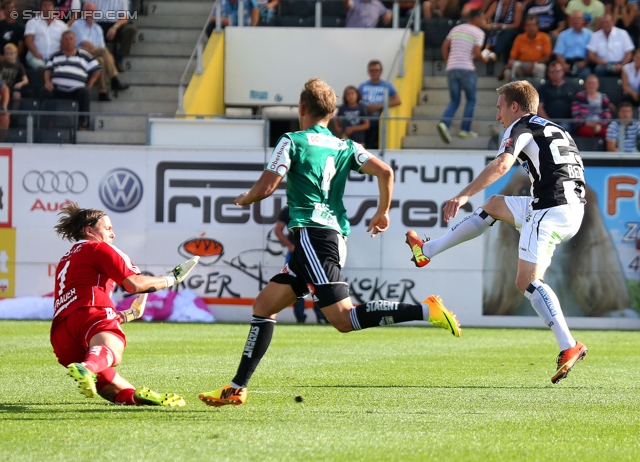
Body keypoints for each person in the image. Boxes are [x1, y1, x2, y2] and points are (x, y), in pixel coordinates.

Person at [198, 78, 461, 408]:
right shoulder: (345, 146)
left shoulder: (292, 141)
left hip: (313, 235)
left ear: (302, 109)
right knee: (264, 306)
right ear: (332, 112)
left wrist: (244, 199)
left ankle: (426, 309)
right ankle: (236, 387)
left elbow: (265, 188)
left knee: (343, 319)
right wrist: (382, 212)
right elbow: (385, 172)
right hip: (328, 236)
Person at [405, 80, 588, 384]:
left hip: (551, 208)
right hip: (568, 206)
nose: (497, 115)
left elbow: (503, 164)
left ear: (515, 107)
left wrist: (463, 195)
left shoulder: (520, 126)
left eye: (500, 107)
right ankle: (427, 251)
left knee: (526, 281)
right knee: (493, 204)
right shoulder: (555, 128)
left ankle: (568, 345)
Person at [52, 203, 199, 406]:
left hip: (62, 333)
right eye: (108, 228)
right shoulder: (98, 247)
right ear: (89, 230)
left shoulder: (67, 258)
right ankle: (87, 367)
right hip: (91, 312)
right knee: (112, 348)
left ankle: (139, 397)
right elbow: (134, 284)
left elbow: (77, 306)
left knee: (111, 388)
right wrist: (171, 279)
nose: (113, 234)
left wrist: (125, 315)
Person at [436, 9, 487, 144]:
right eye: (482, 19)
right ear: (476, 18)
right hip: (467, 69)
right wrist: (484, 59)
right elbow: (476, 53)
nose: (483, 22)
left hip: (452, 68)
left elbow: (444, 46)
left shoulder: (456, 29)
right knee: (471, 100)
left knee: (454, 100)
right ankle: (465, 130)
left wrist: (449, 62)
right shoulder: (478, 32)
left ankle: (444, 123)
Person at [274, 205, 329, 324]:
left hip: (315, 251)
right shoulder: (289, 209)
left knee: (319, 283)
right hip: (297, 253)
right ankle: (300, 317)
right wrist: (289, 245)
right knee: (295, 285)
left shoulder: (318, 208)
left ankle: (320, 316)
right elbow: (278, 230)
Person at [40, 30, 101, 129]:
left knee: (85, 93)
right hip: (57, 88)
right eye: (66, 39)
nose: (69, 41)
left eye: (71, 39)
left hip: (77, 90)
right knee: (45, 91)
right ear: (62, 41)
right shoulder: (55, 55)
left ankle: (82, 123)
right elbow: (47, 70)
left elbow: (97, 70)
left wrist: (91, 83)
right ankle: (49, 122)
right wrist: (47, 82)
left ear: (75, 41)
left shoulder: (84, 55)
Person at [70, 2, 129, 102]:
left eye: (92, 11)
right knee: (103, 52)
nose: (89, 13)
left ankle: (102, 93)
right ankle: (114, 79)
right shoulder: (77, 24)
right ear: (83, 12)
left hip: (93, 57)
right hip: (79, 55)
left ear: (95, 13)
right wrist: (103, 52)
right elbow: (85, 44)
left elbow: (100, 47)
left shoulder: (98, 29)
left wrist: (103, 53)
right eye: (87, 11)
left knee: (101, 60)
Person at [358, 59, 401, 149]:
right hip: (364, 122)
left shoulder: (386, 85)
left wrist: (379, 106)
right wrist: (365, 107)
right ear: (368, 72)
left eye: (377, 70)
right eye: (372, 70)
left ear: (381, 72)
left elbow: (398, 100)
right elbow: (355, 102)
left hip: (379, 122)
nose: (374, 73)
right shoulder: (362, 86)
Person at [500, 15, 552, 82]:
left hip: (537, 63)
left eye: (533, 25)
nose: (531, 28)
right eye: (528, 25)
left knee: (540, 68)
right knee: (507, 72)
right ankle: (510, 92)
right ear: (525, 27)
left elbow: (547, 57)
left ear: (537, 26)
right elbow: (513, 56)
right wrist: (511, 61)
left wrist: (534, 63)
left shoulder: (545, 37)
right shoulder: (519, 38)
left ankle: (538, 91)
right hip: (521, 64)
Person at [93, 0, 137, 71]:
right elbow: (87, 14)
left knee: (131, 29)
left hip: (116, 26)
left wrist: (115, 27)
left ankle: (118, 59)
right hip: (97, 26)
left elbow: (125, 17)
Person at [24, 0, 68, 69]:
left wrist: (58, 55)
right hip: (35, 56)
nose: (47, 8)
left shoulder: (62, 26)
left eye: (49, 5)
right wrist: (36, 54)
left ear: (54, 8)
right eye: (44, 5)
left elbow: (65, 42)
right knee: (41, 66)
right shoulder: (32, 22)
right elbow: (28, 41)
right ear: (41, 8)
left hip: (56, 58)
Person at [537, 60, 580, 131]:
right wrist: (548, 122)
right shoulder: (543, 88)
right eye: (552, 72)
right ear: (548, 74)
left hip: (567, 122)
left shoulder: (572, 87)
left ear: (563, 72)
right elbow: (539, 107)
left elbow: (578, 105)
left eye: (558, 71)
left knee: (563, 128)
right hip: (547, 122)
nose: (555, 74)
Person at [553, 10, 593, 79]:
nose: (576, 21)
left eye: (578, 18)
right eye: (573, 19)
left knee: (586, 74)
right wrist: (564, 65)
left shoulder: (590, 34)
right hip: (567, 62)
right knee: (560, 74)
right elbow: (558, 53)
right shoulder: (563, 35)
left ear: (583, 20)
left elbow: (592, 53)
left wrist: (585, 62)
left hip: (583, 63)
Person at [482, 0, 524, 65]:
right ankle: (487, 51)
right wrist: (486, 24)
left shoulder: (517, 5)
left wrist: (502, 26)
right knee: (508, 42)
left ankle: (495, 54)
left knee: (507, 33)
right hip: (497, 29)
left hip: (513, 30)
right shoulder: (496, 4)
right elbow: (484, 18)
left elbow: (516, 25)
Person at [571, 74, 612, 138]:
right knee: (586, 132)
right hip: (584, 124)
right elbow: (575, 114)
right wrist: (585, 123)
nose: (591, 85)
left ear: (598, 85)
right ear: (585, 85)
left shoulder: (604, 97)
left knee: (607, 133)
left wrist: (600, 125)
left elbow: (607, 115)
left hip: (599, 124)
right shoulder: (579, 96)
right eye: (589, 83)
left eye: (593, 83)